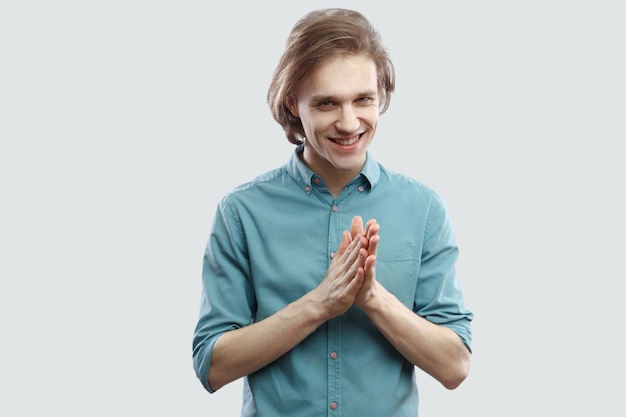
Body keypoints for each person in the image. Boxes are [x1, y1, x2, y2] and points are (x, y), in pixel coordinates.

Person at [192, 7, 473, 416]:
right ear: (293, 103)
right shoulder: (241, 213)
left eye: (363, 100)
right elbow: (211, 366)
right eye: (326, 103)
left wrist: (373, 298)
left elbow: (455, 366)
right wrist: (319, 304)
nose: (348, 122)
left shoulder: (424, 209)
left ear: (382, 97)